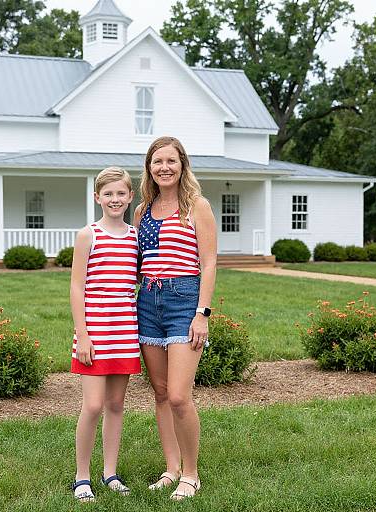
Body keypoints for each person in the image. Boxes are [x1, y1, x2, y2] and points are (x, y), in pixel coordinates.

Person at [133, 136, 217, 500]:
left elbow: (210, 263)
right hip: (148, 303)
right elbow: (134, 265)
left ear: (183, 164)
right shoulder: (142, 211)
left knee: (181, 396)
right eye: (157, 161)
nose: (164, 167)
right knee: (162, 393)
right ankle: (171, 468)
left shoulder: (197, 206)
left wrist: (202, 314)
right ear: (149, 168)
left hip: (185, 301)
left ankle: (192, 474)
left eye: (171, 160)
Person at [70, 167, 141, 502]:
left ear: (130, 197)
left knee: (115, 405)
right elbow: (76, 285)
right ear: (97, 197)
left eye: (121, 193)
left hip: (125, 330)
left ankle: (110, 472)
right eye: (108, 194)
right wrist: (82, 333)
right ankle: (82, 476)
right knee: (93, 405)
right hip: (95, 331)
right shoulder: (89, 235)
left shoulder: (134, 237)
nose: (115, 199)